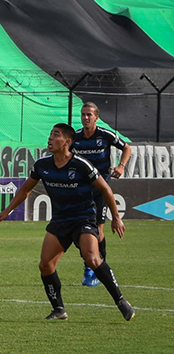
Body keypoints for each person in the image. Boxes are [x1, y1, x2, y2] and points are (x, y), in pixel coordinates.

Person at [0, 123, 134, 321]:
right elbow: (25, 190)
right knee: (45, 265)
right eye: (50, 134)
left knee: (92, 258)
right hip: (60, 221)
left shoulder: (81, 165)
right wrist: (6, 211)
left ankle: (120, 301)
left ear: (67, 141)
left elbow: (106, 189)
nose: (50, 138)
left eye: (55, 135)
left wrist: (116, 217)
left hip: (83, 218)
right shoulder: (43, 165)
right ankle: (59, 309)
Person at [73, 102, 131, 287]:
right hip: (81, 189)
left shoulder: (105, 135)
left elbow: (127, 148)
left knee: (97, 230)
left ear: (96, 117)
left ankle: (96, 268)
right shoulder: (75, 137)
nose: (85, 118)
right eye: (83, 114)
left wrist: (121, 166)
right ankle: (92, 265)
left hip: (100, 188)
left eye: (89, 114)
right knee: (82, 230)